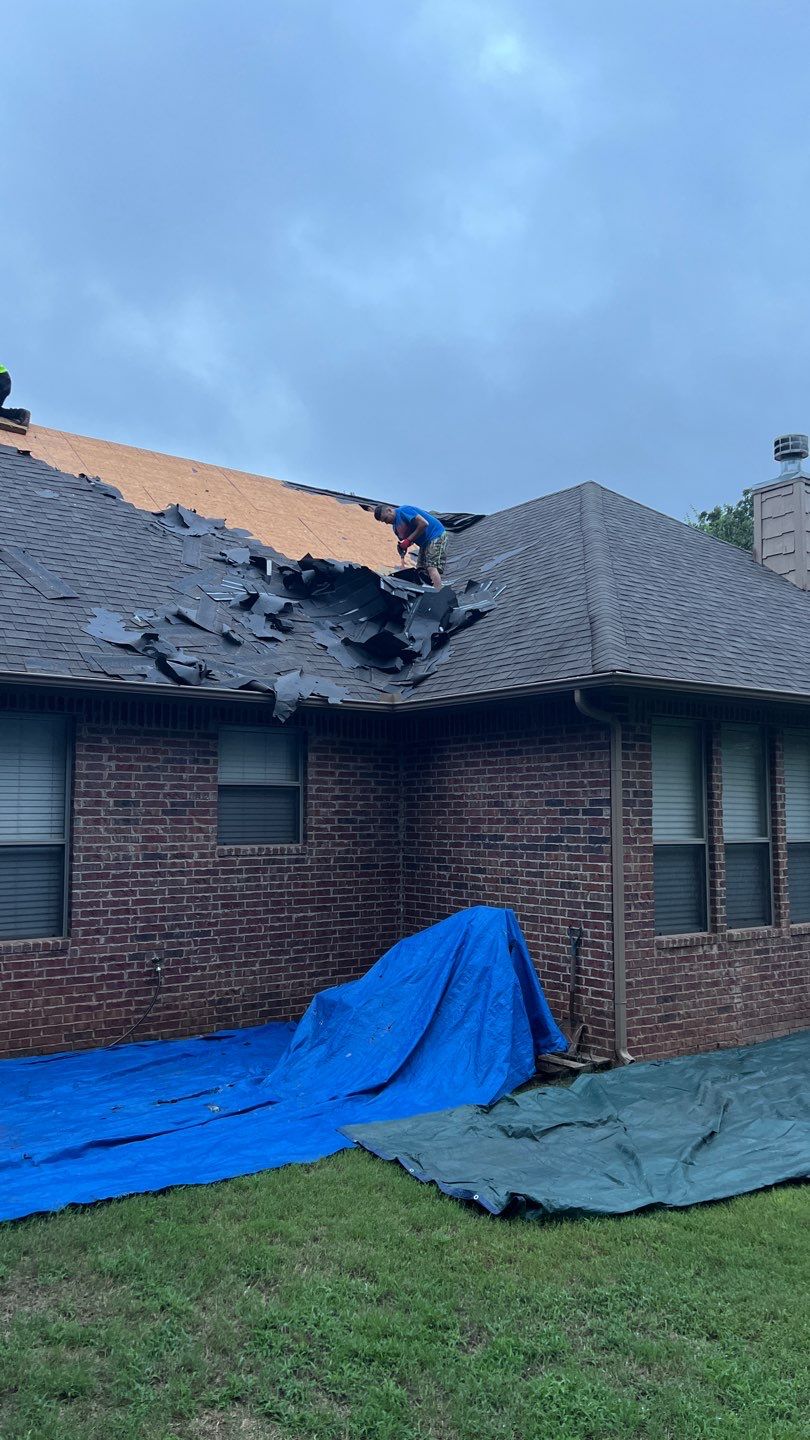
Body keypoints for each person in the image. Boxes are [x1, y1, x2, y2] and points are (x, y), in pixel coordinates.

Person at [373, 503, 447, 589]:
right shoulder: (395, 528)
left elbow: (424, 524)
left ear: (389, 510)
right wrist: (403, 546)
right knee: (420, 570)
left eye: (386, 519)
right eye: (384, 521)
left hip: (435, 535)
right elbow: (411, 538)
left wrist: (408, 541)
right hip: (424, 543)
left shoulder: (404, 511)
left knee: (431, 567)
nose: (386, 522)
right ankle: (429, 590)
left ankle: (439, 593)